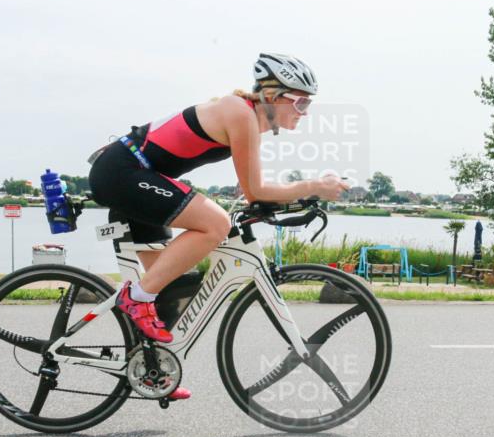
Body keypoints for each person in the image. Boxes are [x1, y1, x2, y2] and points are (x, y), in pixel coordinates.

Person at [88, 53, 348, 369]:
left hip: (136, 178)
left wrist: (298, 199)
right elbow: (256, 191)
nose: (305, 113)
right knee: (215, 223)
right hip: (122, 173)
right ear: (272, 96)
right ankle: (135, 298)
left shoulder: (247, 119)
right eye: (301, 103)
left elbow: (255, 192)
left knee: (170, 291)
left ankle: (151, 370)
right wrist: (315, 186)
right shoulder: (240, 114)